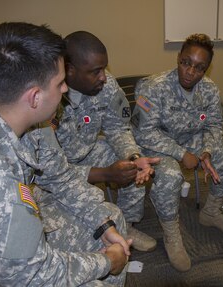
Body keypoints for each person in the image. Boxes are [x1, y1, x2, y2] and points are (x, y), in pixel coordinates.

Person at [0, 22, 131, 286]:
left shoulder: (26, 121)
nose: (65, 90)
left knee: (111, 220)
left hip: (12, 245)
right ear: (34, 97)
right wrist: (108, 262)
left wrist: (103, 225)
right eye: (60, 83)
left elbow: (61, 178)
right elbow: (33, 275)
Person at [132, 33, 223, 270]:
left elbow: (215, 126)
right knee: (171, 176)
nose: (190, 72)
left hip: (194, 140)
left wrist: (208, 152)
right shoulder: (154, 88)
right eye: (186, 63)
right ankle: (172, 233)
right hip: (159, 143)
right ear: (178, 58)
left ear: (207, 69)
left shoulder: (210, 90)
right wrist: (181, 154)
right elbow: (142, 133)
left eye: (199, 68)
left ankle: (210, 212)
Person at [54, 31, 160, 254]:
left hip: (90, 149)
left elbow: (117, 128)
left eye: (104, 68)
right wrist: (104, 173)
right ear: (70, 70)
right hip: (55, 168)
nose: (104, 77)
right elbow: (49, 171)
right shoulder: (49, 96)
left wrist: (133, 155)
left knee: (130, 166)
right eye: (95, 71)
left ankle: (126, 226)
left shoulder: (107, 86)